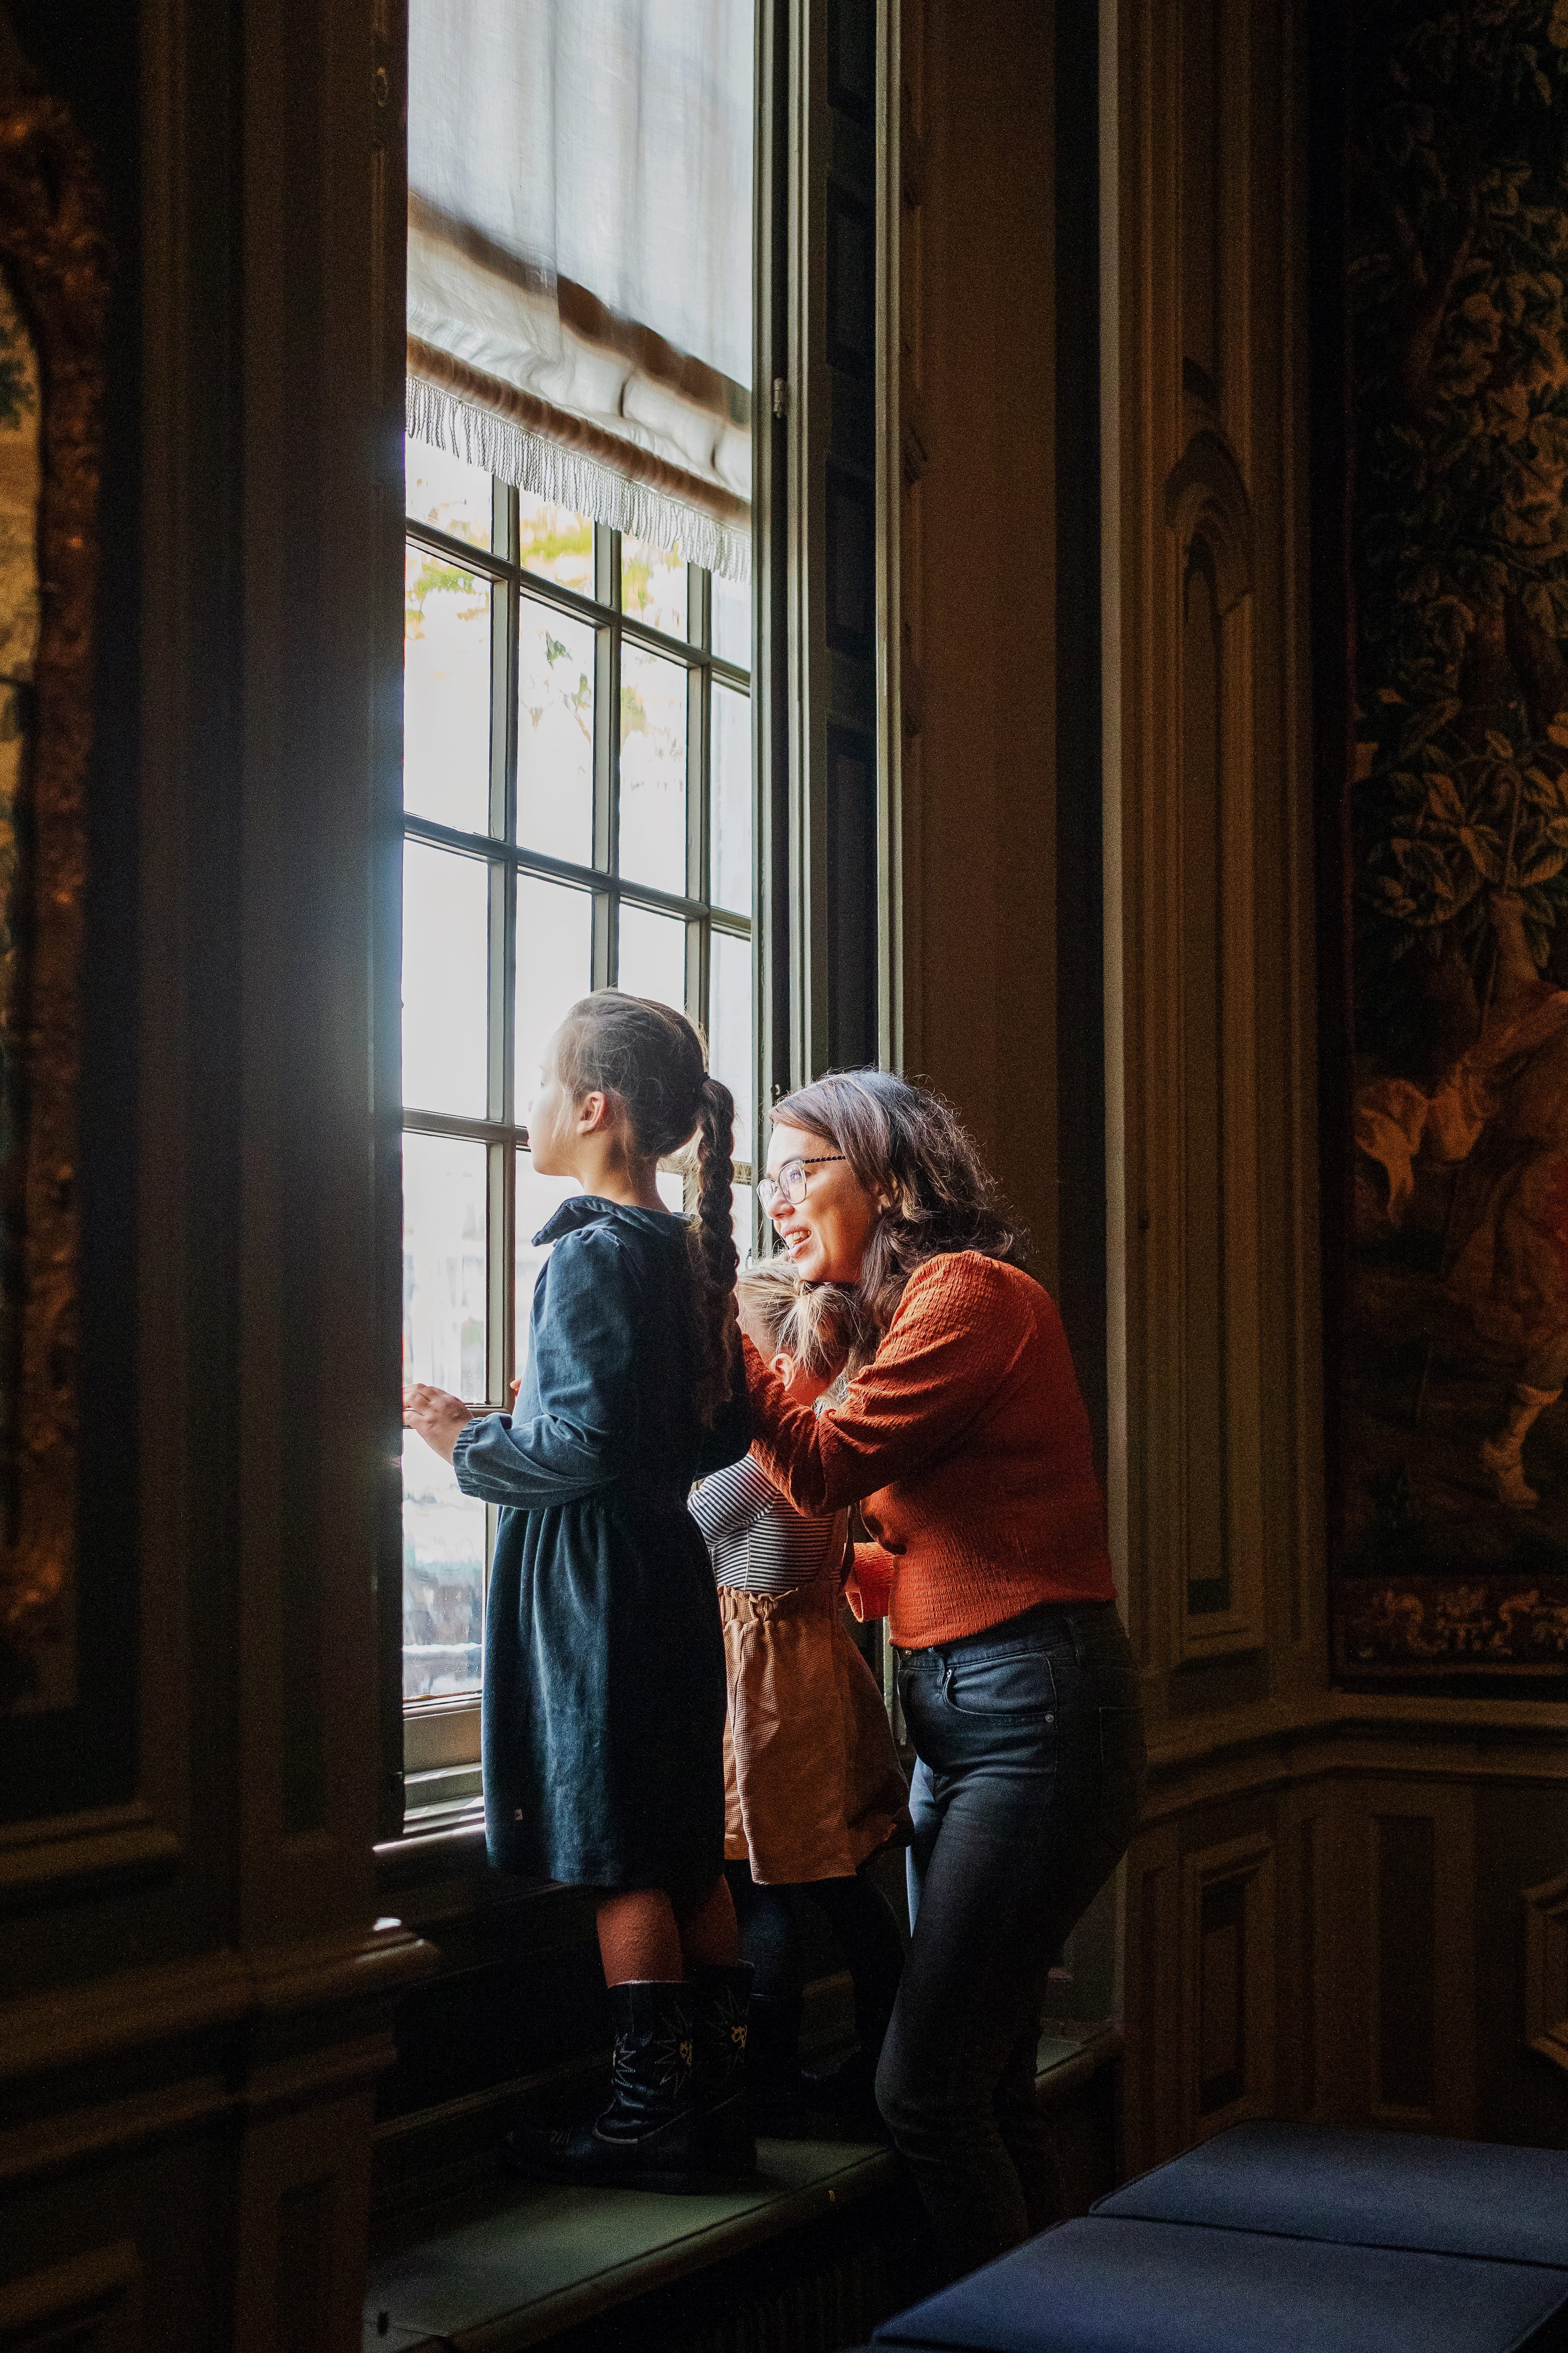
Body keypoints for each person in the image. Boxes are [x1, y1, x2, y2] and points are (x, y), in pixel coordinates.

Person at [741, 1070, 1146, 2282]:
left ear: (890, 1173)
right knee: (989, 2087)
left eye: (800, 1169)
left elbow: (820, 1465)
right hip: (975, 1714)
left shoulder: (968, 1293)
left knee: (922, 2091)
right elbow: (942, 1541)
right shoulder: (894, 1317)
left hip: (1035, 1712)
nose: (776, 1201)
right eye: (769, 1178)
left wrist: (713, 1335)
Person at [402, 992, 754, 2193]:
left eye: (546, 1087)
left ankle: (651, 2118)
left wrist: (468, 1436)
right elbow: (710, 1435)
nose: (532, 1109)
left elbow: (583, 1447)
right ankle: (718, 2105)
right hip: (659, 1570)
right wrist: (545, 1419)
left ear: (595, 1109)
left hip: (595, 1583)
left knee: (620, 1853)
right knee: (683, 1846)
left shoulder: (596, 1251)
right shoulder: (681, 1253)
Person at [689, 1259, 910, 2131]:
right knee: (849, 1887)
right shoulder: (828, 1439)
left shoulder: (751, 1467)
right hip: (823, 1682)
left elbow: (681, 1543)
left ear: (768, 1368)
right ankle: (881, 2063)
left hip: (762, 1701)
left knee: (761, 1891)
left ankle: (768, 2085)